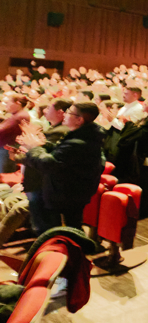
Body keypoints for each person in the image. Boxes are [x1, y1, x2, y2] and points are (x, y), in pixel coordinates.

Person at [18, 102, 105, 231]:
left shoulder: (79, 142)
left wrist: (35, 148)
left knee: (59, 232)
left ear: (79, 120)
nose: (64, 114)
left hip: (66, 195)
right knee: (68, 228)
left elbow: (49, 164)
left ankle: (66, 250)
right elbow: (61, 154)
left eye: (69, 112)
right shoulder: (81, 136)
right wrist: (41, 144)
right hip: (65, 192)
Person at [20, 99, 70, 234]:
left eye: (48, 108)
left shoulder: (59, 132)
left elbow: (44, 158)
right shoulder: (53, 129)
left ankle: (48, 251)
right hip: (41, 184)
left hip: (41, 184)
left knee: (45, 227)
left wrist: (30, 144)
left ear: (60, 112)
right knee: (42, 223)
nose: (44, 111)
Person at [117, 99, 148, 218]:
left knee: (144, 183)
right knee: (139, 181)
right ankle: (138, 209)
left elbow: (141, 133)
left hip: (146, 155)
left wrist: (129, 123)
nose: (143, 105)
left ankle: (142, 211)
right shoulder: (147, 118)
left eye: (146, 104)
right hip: (141, 154)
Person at [0, 94, 31, 172]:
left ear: (18, 103)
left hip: (8, 149)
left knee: (5, 176)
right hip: (6, 148)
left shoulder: (20, 116)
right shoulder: (18, 114)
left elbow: (2, 130)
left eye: (8, 103)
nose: (6, 105)